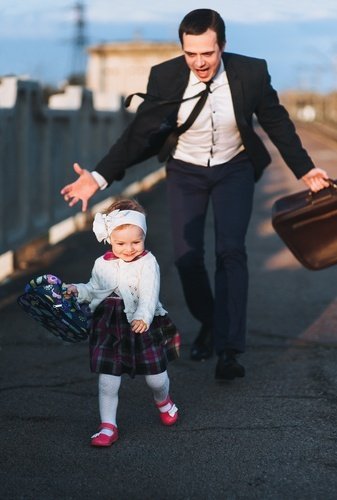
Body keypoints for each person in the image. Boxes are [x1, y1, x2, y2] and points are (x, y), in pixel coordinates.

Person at [61, 9, 329, 381]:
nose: (200, 62)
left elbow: (276, 122)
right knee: (187, 258)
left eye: (208, 53)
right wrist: (98, 176)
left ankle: (230, 349)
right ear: (183, 48)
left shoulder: (250, 73)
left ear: (222, 46)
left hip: (233, 168)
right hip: (185, 171)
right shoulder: (167, 76)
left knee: (230, 252)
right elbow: (139, 135)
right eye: (191, 53)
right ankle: (211, 321)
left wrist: (305, 170)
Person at [65, 198, 180, 447]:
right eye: (121, 243)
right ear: (110, 240)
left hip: (141, 324)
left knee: (156, 378)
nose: (129, 249)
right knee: (108, 380)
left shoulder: (148, 263)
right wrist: (77, 290)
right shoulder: (102, 264)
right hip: (108, 323)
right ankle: (108, 425)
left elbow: (150, 294)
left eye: (136, 242)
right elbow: (94, 289)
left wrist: (142, 316)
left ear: (144, 238)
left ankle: (164, 400)